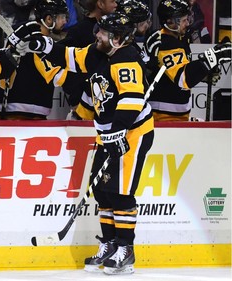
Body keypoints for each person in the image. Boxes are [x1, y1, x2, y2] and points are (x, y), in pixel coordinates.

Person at [23, 11, 154, 274]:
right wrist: (43, 45)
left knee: (121, 192)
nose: (97, 35)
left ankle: (125, 249)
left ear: (118, 38)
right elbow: (68, 56)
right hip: (107, 132)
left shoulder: (126, 59)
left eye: (103, 33)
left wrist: (118, 133)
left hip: (132, 133)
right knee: (103, 192)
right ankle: (108, 244)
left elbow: (131, 100)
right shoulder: (97, 53)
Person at [144, 0, 231, 121]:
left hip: (176, 114)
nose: (188, 23)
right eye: (184, 20)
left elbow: (178, 69)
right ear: (170, 22)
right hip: (163, 116)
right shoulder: (164, 42)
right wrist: (214, 56)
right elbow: (183, 79)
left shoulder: (179, 38)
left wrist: (202, 74)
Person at [0, 0, 69, 120]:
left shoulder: (23, 30)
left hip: (13, 108)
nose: (65, 21)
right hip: (21, 111)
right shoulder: (35, 41)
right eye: (62, 17)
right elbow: (55, 74)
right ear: (49, 19)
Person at [59, 0, 118, 119]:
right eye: (112, 1)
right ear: (100, 4)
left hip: (110, 104)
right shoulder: (79, 31)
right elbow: (63, 59)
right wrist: (76, 96)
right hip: (83, 108)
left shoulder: (116, 31)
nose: (116, 4)